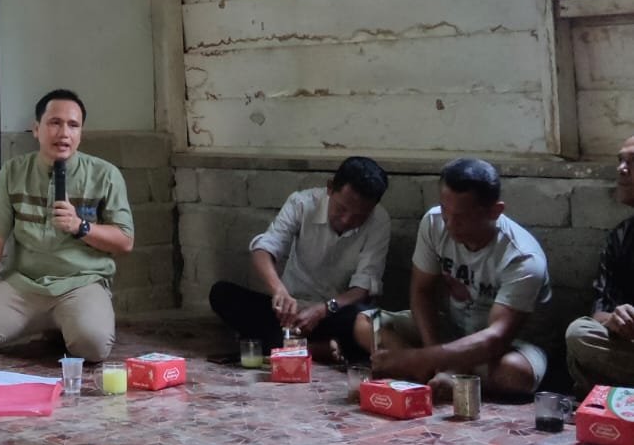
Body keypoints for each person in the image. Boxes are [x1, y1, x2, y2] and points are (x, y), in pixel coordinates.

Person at [0, 89, 133, 363]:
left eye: (73, 125)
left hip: (80, 283)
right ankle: (45, 324)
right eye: (54, 123)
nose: (63, 133)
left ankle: (70, 323)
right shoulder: (13, 171)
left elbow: (125, 241)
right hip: (25, 285)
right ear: (36, 129)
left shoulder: (105, 175)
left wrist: (81, 226)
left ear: (81, 133)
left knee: (92, 347)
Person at [354, 156, 551, 399]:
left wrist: (417, 358)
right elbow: (421, 292)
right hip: (452, 331)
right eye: (446, 212)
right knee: (367, 323)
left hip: (507, 347)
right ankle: (438, 375)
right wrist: (431, 352)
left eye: (462, 216)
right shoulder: (434, 222)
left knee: (514, 374)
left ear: (495, 211)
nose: (450, 224)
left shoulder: (523, 258)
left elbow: (495, 339)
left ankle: (434, 372)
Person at [209, 156, 390, 361]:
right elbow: (263, 250)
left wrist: (323, 310)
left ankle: (287, 347)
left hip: (336, 312)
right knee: (222, 294)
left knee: (370, 320)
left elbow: (363, 288)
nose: (347, 219)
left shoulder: (379, 220)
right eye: (341, 209)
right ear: (330, 188)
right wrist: (279, 290)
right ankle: (318, 349)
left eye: (359, 216)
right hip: (289, 313)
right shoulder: (302, 203)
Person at [565, 134, 634, 393]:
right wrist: (615, 321)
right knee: (580, 335)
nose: (621, 169)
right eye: (620, 161)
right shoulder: (622, 237)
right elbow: (599, 311)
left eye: (633, 162)